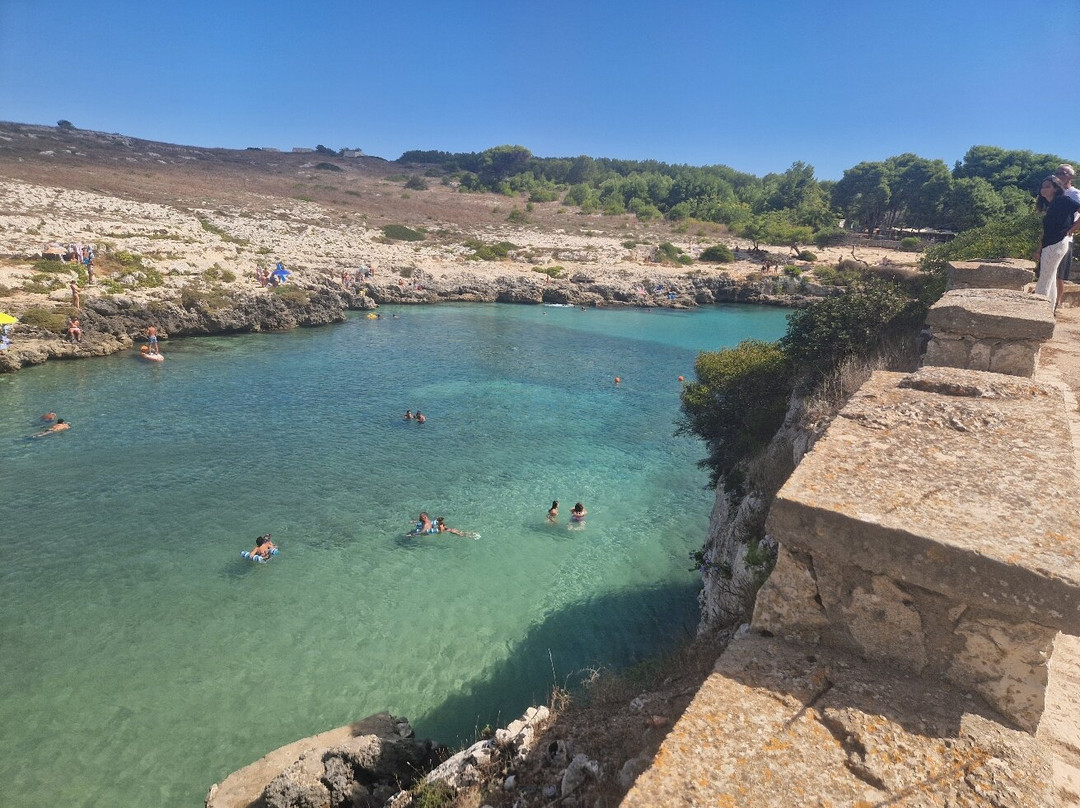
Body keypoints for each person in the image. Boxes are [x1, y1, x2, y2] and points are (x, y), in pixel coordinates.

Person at [1035, 175, 1080, 312]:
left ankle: (1037, 311)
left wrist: (1072, 229)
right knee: (1050, 278)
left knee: (1044, 279)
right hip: (1051, 244)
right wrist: (1039, 249)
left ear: (1055, 188)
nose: (1044, 190)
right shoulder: (1052, 205)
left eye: (1048, 186)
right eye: (1043, 187)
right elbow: (1047, 231)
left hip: (1057, 243)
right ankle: (1048, 310)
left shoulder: (1062, 200)